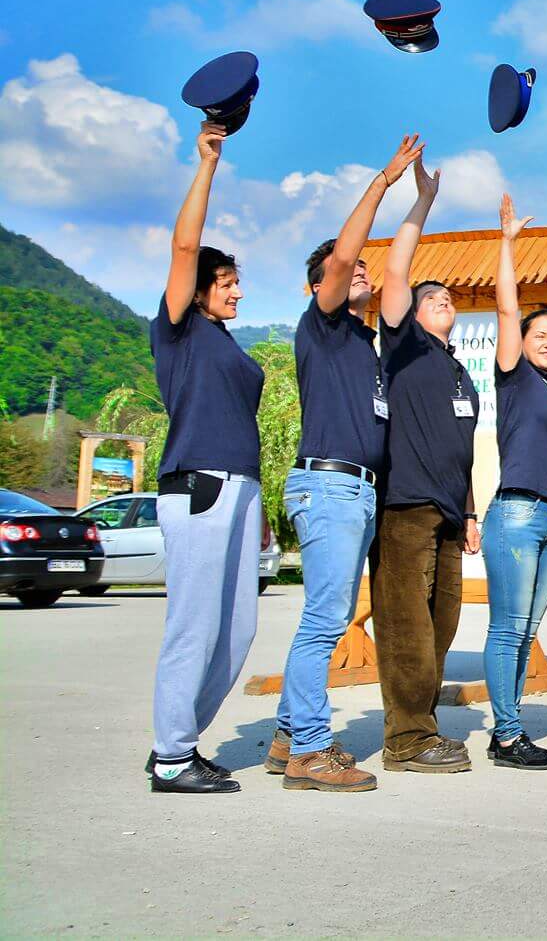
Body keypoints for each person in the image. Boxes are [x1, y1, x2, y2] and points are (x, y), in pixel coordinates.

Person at [267, 133, 421, 793]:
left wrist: (423, 201)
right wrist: (383, 182)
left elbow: (396, 271)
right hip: (327, 486)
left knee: (326, 613)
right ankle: (308, 748)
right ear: (321, 284)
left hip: (357, 493)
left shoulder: (366, 342)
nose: (360, 271)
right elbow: (349, 254)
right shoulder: (322, 327)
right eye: (346, 269)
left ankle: (283, 735)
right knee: (326, 620)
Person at [146, 120, 267, 794]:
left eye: (237, 282)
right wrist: (208, 166)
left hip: (240, 491)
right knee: (193, 623)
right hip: (198, 487)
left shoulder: (225, 342)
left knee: (239, 629)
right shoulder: (179, 330)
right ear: (196, 287)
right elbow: (185, 242)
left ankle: (178, 739)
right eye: (224, 281)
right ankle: (171, 755)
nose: (236, 291)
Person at [372, 155, 481, 773]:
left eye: (446, 297)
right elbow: (396, 269)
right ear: (410, 313)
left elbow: (459, 451)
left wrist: (467, 511)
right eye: (430, 297)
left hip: (446, 509)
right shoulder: (404, 345)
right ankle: (407, 739)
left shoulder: (457, 367)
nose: (441, 301)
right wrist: (421, 204)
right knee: (406, 622)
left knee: (441, 622)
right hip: (405, 503)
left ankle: (420, 720)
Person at [481, 193, 547, 770]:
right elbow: (504, 308)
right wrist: (507, 242)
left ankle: (511, 723)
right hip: (516, 514)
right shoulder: (515, 377)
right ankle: (505, 732)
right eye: (539, 334)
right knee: (509, 627)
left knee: (529, 631)